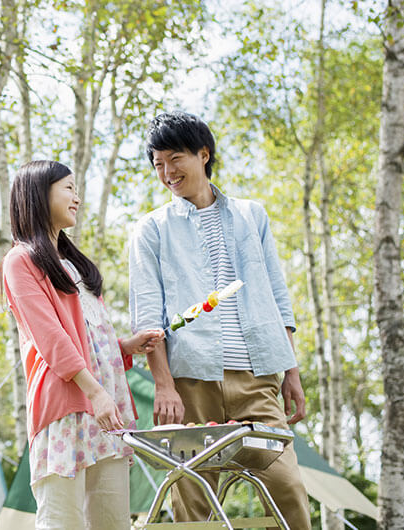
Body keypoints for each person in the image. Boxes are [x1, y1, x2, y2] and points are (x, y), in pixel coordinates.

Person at [129, 111, 312, 528]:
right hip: (192, 381)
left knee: (287, 489)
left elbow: (277, 298)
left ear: (203, 154)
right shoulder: (151, 230)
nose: (167, 172)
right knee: (193, 501)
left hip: (257, 378)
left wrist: (292, 372)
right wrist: (163, 384)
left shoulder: (252, 216)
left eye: (174, 159)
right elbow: (148, 318)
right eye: (157, 164)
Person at [1, 160, 164, 529]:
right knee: (63, 521)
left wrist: (125, 347)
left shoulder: (74, 263)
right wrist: (96, 393)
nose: (77, 198)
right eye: (69, 188)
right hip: (69, 406)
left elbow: (88, 334)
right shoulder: (20, 260)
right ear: (39, 195)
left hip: (107, 408)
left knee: (113, 521)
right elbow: (52, 340)